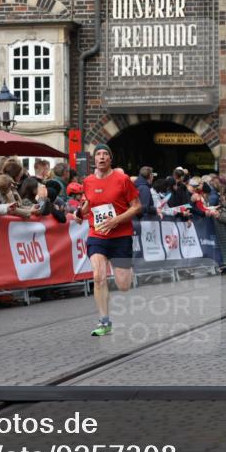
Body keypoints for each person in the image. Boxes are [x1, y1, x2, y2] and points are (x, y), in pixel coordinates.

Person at [78, 144, 141, 337]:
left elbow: (136, 207)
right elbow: (88, 202)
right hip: (97, 234)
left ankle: (127, 269)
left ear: (110, 159)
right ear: (94, 159)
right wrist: (81, 211)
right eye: (98, 154)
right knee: (98, 276)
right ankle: (104, 321)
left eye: (105, 154)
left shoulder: (122, 179)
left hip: (121, 236)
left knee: (123, 285)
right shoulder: (87, 181)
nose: (102, 157)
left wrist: (117, 220)